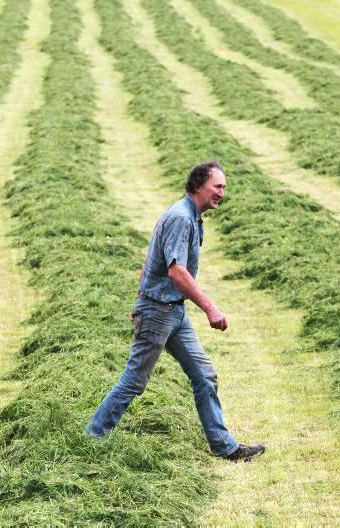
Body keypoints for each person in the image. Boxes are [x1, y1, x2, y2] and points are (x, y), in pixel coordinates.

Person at [85, 161, 265, 462]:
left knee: (204, 375)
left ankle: (225, 446)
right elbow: (176, 271)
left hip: (173, 312)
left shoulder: (190, 216)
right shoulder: (181, 217)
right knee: (134, 380)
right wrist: (209, 308)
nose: (222, 193)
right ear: (198, 186)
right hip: (158, 312)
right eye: (217, 186)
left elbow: (151, 258)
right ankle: (92, 437)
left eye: (224, 187)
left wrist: (139, 296)